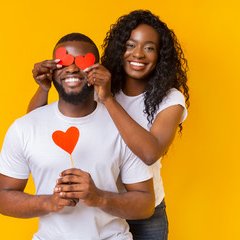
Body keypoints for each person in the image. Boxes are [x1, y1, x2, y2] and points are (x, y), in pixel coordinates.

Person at [27, 10, 189, 240]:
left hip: (144, 207)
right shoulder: (99, 83)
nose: (138, 54)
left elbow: (150, 153)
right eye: (130, 45)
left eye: (149, 47)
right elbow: (34, 128)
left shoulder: (170, 99)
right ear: (118, 49)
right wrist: (44, 87)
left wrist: (108, 99)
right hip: (100, 206)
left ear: (160, 55)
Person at [0, 33, 155, 240]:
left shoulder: (122, 127)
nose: (71, 68)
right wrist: (48, 202)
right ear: (52, 72)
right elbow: (3, 197)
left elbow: (146, 204)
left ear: (97, 71)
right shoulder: (23, 128)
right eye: (64, 62)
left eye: (82, 62)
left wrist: (100, 198)